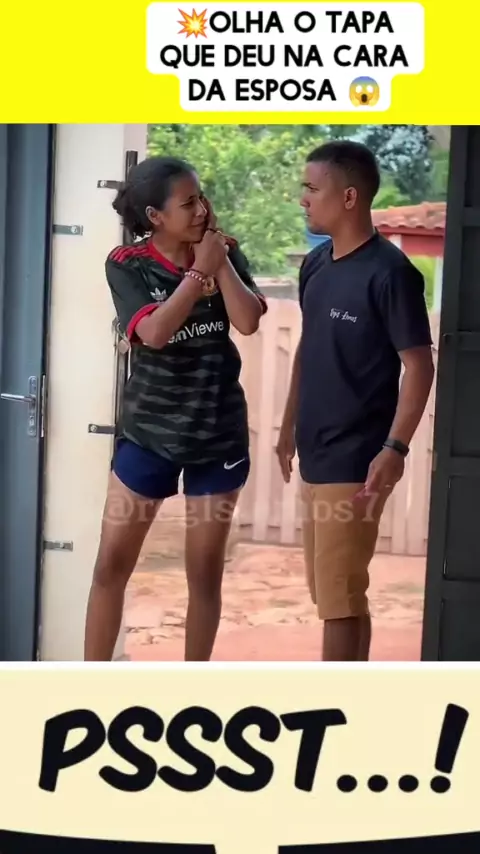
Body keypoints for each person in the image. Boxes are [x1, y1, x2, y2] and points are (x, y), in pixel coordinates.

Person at [84, 155, 267, 661]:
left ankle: (190, 687)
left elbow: (248, 321)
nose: (201, 209)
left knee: (204, 575)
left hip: (217, 437)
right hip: (149, 437)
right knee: (111, 566)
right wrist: (197, 274)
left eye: (201, 198)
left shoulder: (224, 252)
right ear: (156, 216)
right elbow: (155, 333)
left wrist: (219, 262)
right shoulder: (127, 264)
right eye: (188, 203)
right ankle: (88, 686)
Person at [276, 140, 435, 662]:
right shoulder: (316, 265)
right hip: (315, 451)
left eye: (312, 188)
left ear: (348, 197)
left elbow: (419, 365)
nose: (303, 199)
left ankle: (335, 705)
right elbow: (308, 348)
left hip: (356, 459)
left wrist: (394, 448)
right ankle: (354, 693)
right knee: (338, 595)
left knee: (338, 603)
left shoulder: (391, 273)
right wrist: (286, 428)